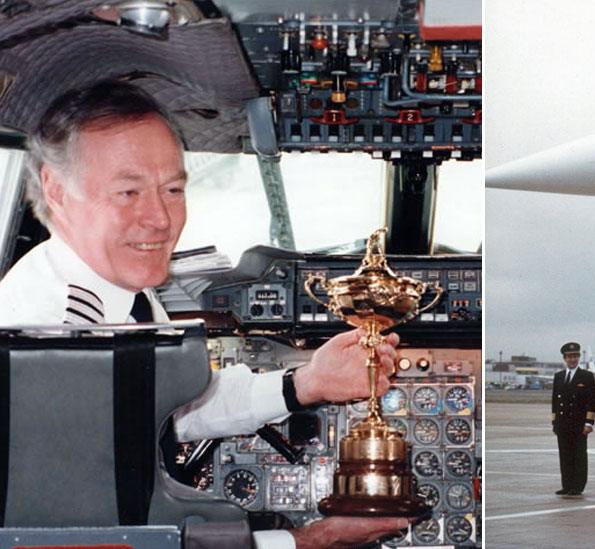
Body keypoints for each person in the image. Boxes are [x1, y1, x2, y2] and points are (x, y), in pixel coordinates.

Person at [0, 80, 408, 548]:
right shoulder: (55, 338)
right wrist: (306, 541)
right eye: (128, 193)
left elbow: (164, 408)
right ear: (56, 190)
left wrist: (306, 383)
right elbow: (101, 539)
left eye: (172, 189)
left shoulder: (113, 295)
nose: (160, 218)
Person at [551, 341, 595, 496]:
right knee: (565, 455)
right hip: (563, 423)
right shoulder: (559, 377)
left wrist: (589, 422)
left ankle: (578, 486)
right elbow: (555, 401)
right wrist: (555, 421)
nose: (572, 359)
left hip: (578, 424)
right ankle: (567, 484)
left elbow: (592, 401)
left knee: (579, 456)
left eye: (575, 356)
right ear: (565, 358)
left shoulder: (586, 376)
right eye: (569, 357)